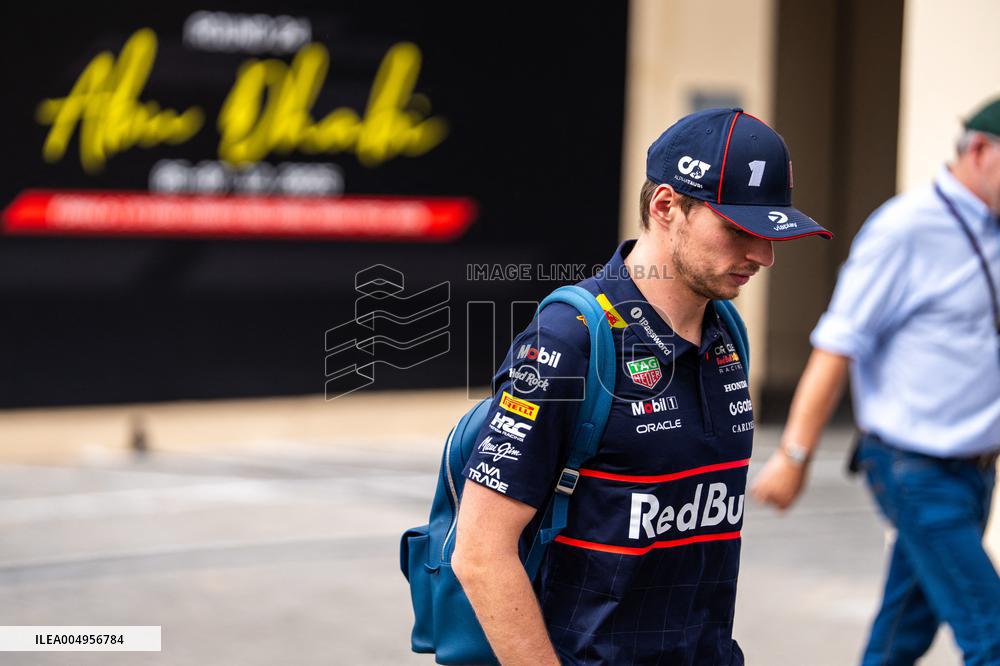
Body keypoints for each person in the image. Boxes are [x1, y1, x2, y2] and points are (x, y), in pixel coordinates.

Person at [451, 107, 830, 665]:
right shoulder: (572, 337)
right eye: (739, 230)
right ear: (666, 206)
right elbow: (481, 551)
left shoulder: (727, 333)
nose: (763, 256)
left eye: (771, 233)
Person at [751, 96, 1000, 665]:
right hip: (916, 472)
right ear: (982, 151)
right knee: (993, 634)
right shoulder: (905, 230)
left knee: (899, 639)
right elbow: (838, 344)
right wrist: (793, 455)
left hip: (974, 472)